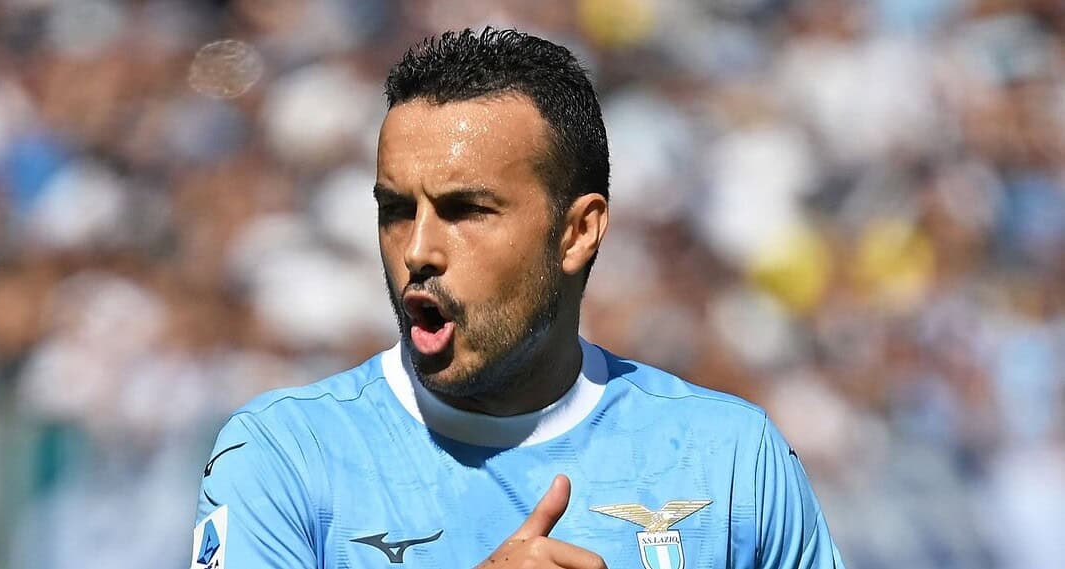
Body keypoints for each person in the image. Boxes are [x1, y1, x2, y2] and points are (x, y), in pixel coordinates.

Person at [191, 27, 845, 569]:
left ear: (577, 231)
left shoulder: (730, 458)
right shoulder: (285, 454)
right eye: (395, 209)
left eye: (465, 209)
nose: (417, 249)